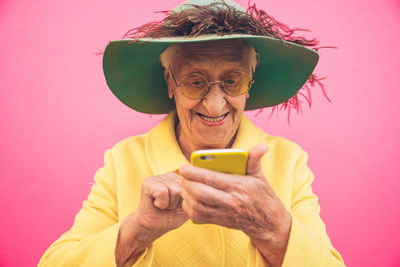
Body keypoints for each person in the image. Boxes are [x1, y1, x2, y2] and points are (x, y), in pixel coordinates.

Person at [39, 0, 345, 266]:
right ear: (170, 82)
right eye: (195, 81)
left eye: (233, 80)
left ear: (250, 83)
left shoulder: (288, 161)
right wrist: (137, 231)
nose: (214, 105)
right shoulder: (123, 161)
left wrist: (273, 229)